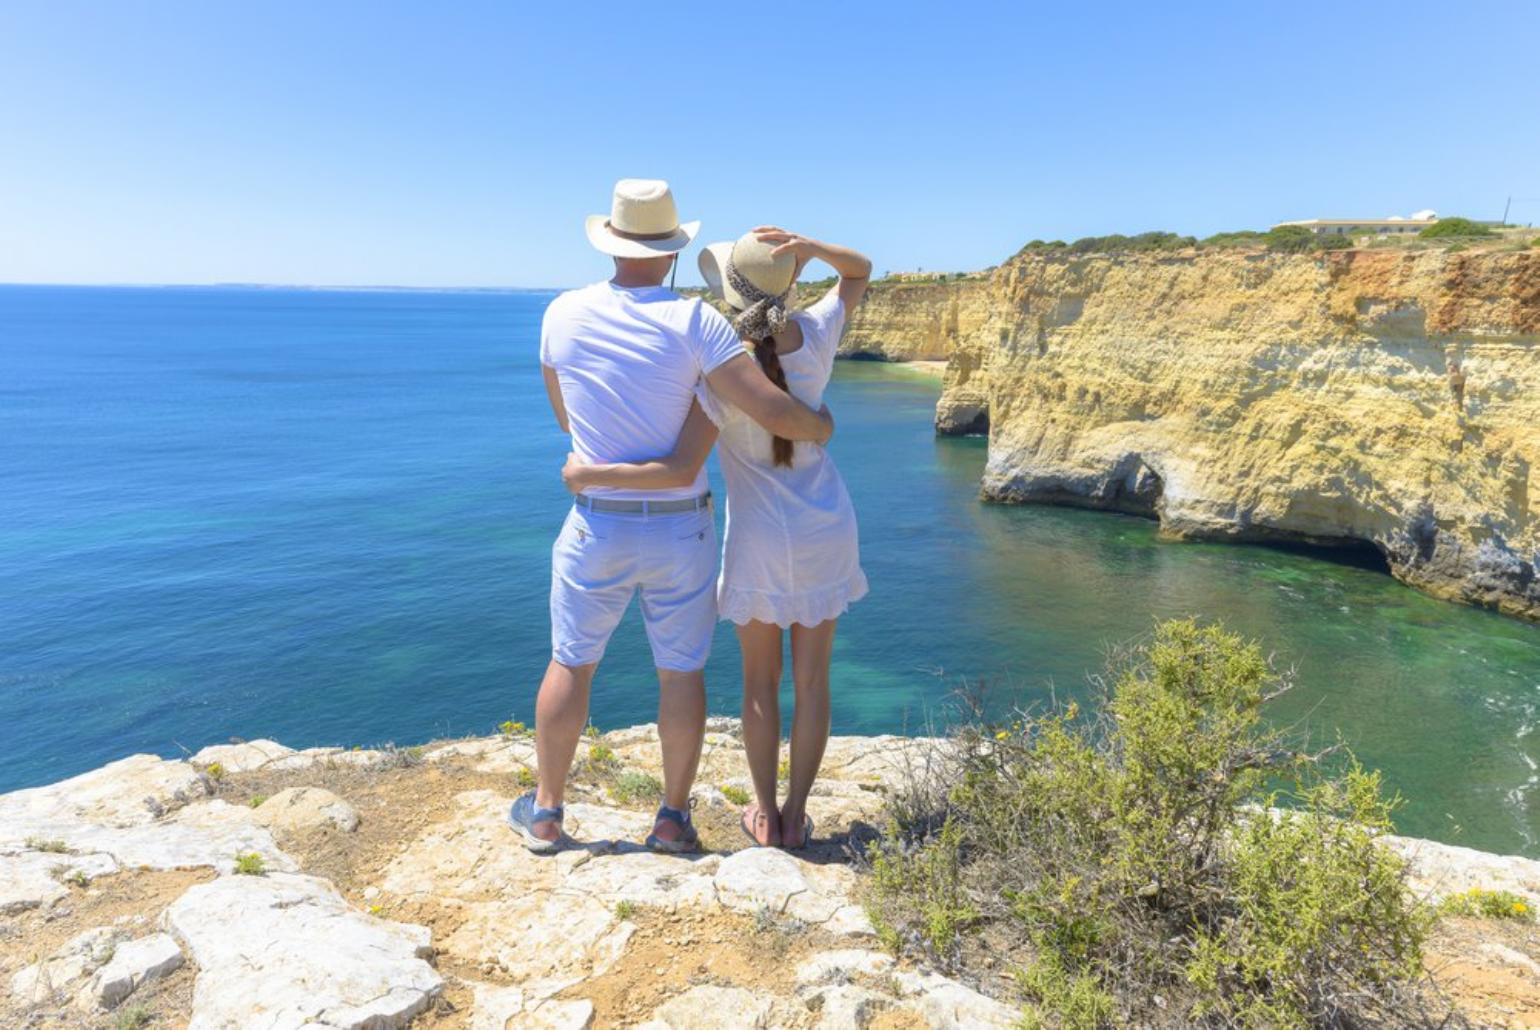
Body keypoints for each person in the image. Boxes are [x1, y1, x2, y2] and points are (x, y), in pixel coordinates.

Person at [510, 182, 835, 855]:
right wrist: (820, 424)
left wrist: (600, 462)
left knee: (571, 662)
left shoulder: (562, 314)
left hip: (595, 522)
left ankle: (545, 814)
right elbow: (772, 411)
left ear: (611, 240)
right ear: (672, 251)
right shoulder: (696, 323)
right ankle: (671, 819)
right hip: (679, 526)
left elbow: (566, 417)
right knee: (680, 672)